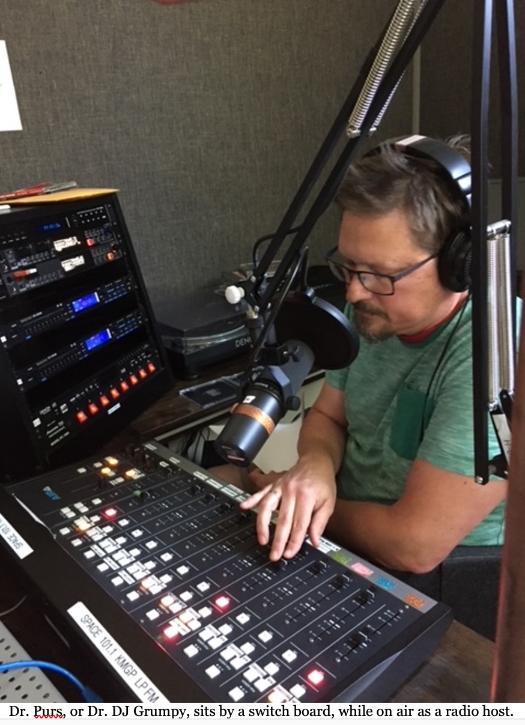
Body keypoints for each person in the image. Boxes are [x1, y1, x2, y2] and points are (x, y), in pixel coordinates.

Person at [237, 136, 507, 586]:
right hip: (348, 533)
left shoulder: (495, 358)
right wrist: (314, 468)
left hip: (433, 580)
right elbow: (327, 415)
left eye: (378, 275)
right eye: (348, 266)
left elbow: (413, 545)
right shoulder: (370, 306)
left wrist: (301, 504)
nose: (353, 293)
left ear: (458, 264)